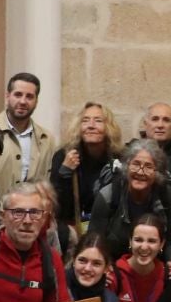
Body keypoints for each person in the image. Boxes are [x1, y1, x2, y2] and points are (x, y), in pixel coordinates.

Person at [88, 139, 171, 261]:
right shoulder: (108, 196)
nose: (140, 172)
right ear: (126, 167)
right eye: (136, 164)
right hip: (114, 265)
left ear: (157, 173)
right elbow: (95, 241)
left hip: (155, 266)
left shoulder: (168, 196)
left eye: (148, 166)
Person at [52, 101, 123, 236]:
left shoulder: (119, 158)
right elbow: (57, 206)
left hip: (108, 230)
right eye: (85, 121)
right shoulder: (63, 156)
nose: (91, 126)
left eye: (98, 121)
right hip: (72, 230)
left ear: (108, 127)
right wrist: (65, 172)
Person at [0, 72, 54, 195]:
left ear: (36, 101)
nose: (23, 101)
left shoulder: (47, 139)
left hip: (31, 212)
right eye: (18, 94)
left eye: (29, 96)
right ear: (7, 96)